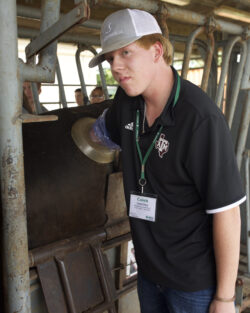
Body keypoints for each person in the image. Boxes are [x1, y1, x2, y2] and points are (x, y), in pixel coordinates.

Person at [89, 8, 246, 313]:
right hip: (149, 273)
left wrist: (225, 298)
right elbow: (100, 133)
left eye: (126, 52)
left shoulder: (200, 120)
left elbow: (227, 213)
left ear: (156, 50)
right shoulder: (125, 103)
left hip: (193, 283)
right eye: (109, 58)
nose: (116, 67)